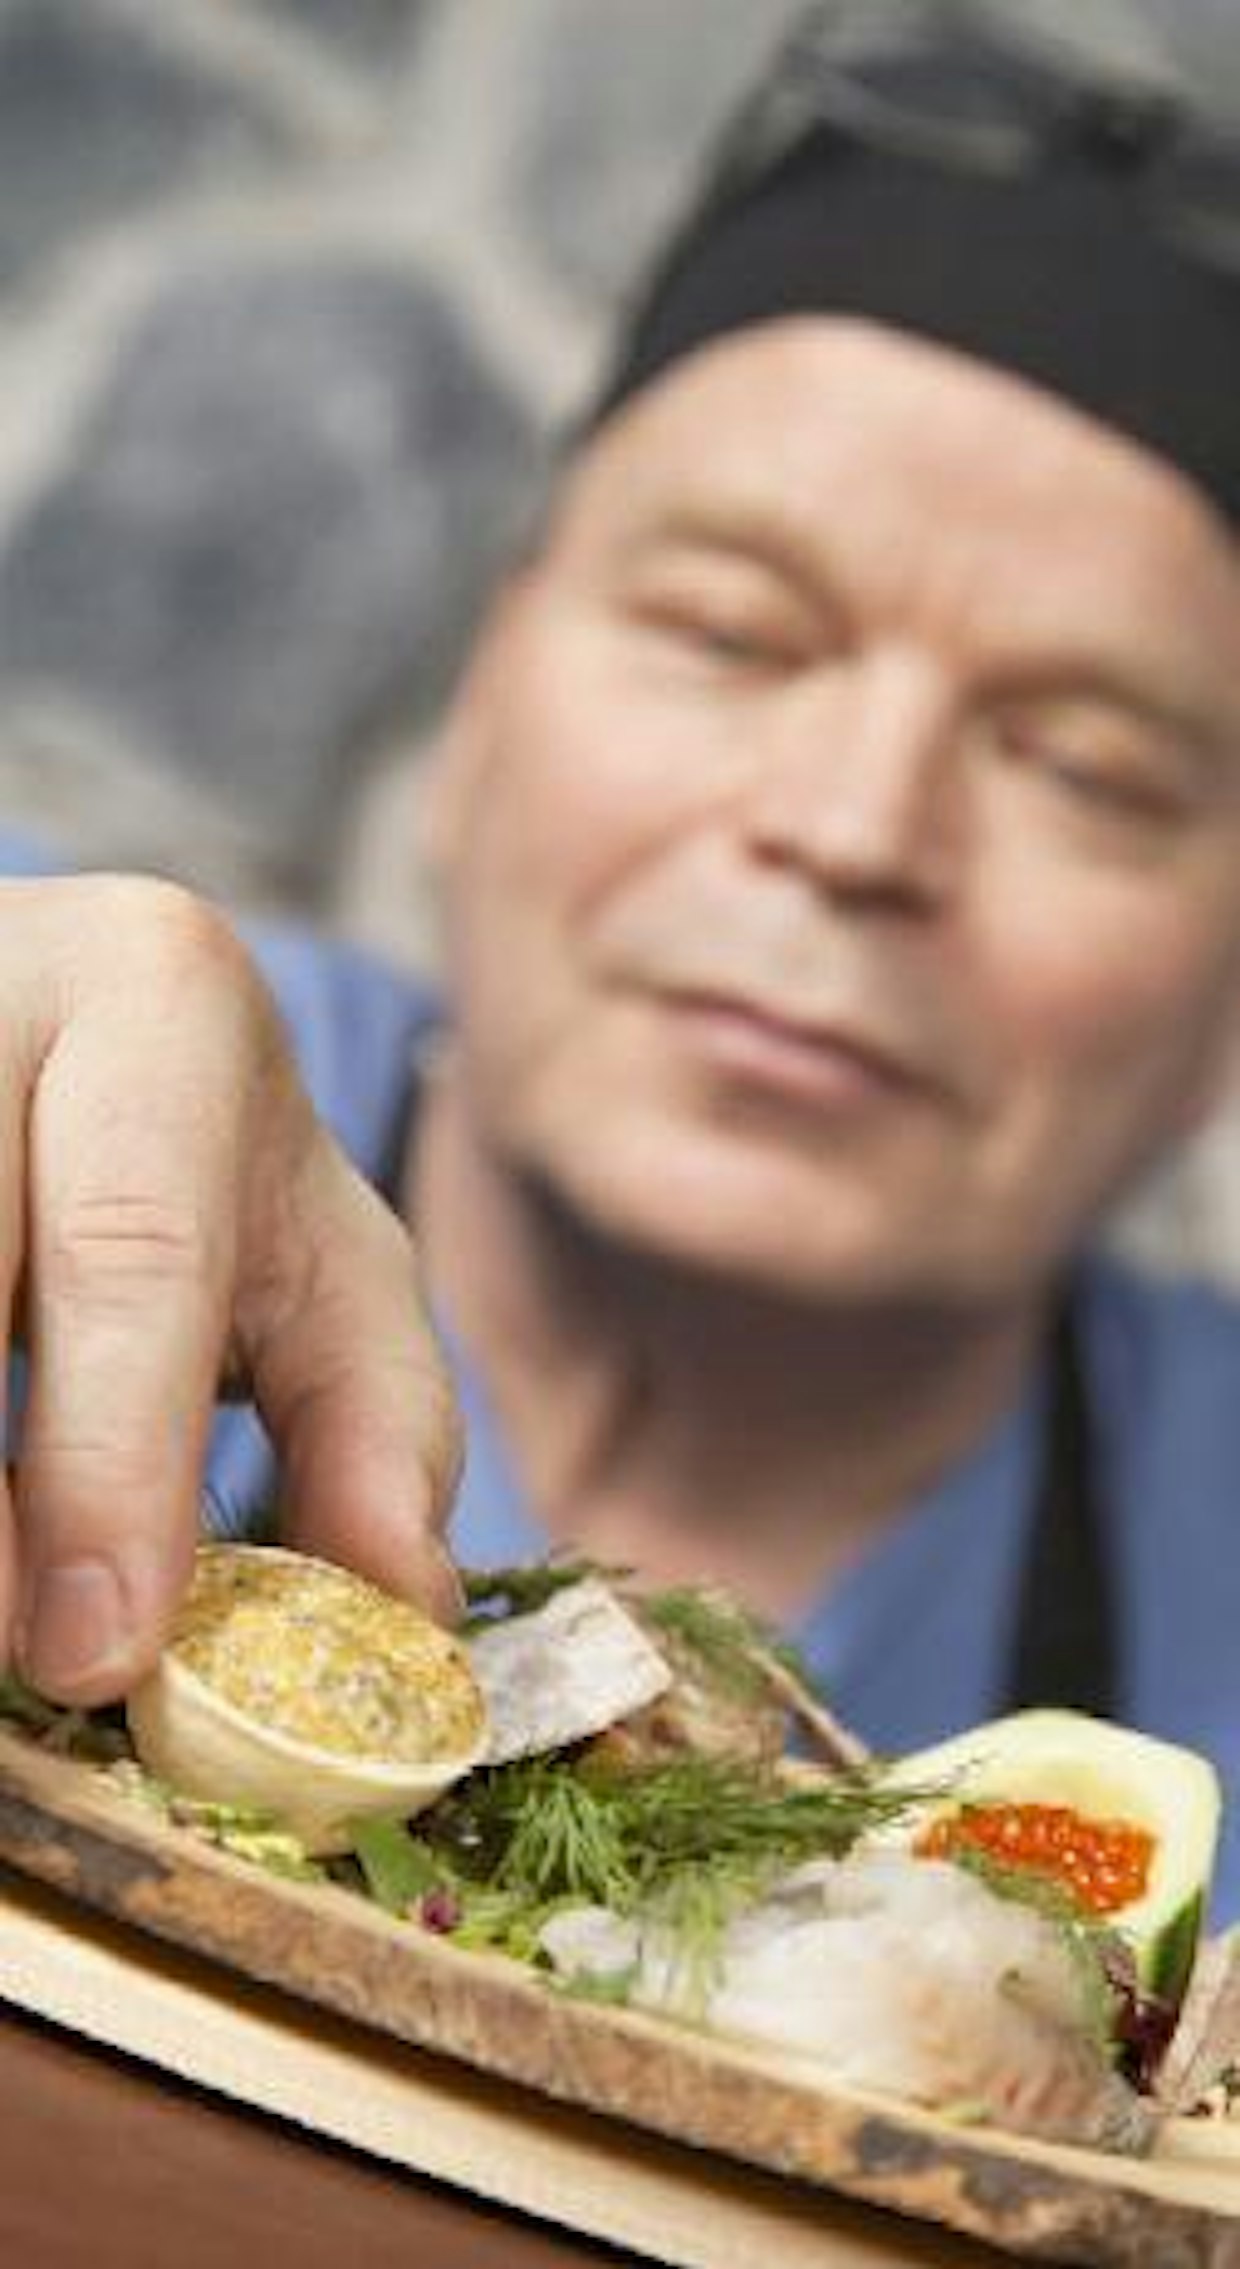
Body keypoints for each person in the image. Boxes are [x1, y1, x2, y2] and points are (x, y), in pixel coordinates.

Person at [3, 2, 1240, 1906]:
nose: (853, 827)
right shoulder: (61, 1056)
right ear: (478, 701)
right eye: (731, 635)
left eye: (1084, 766)